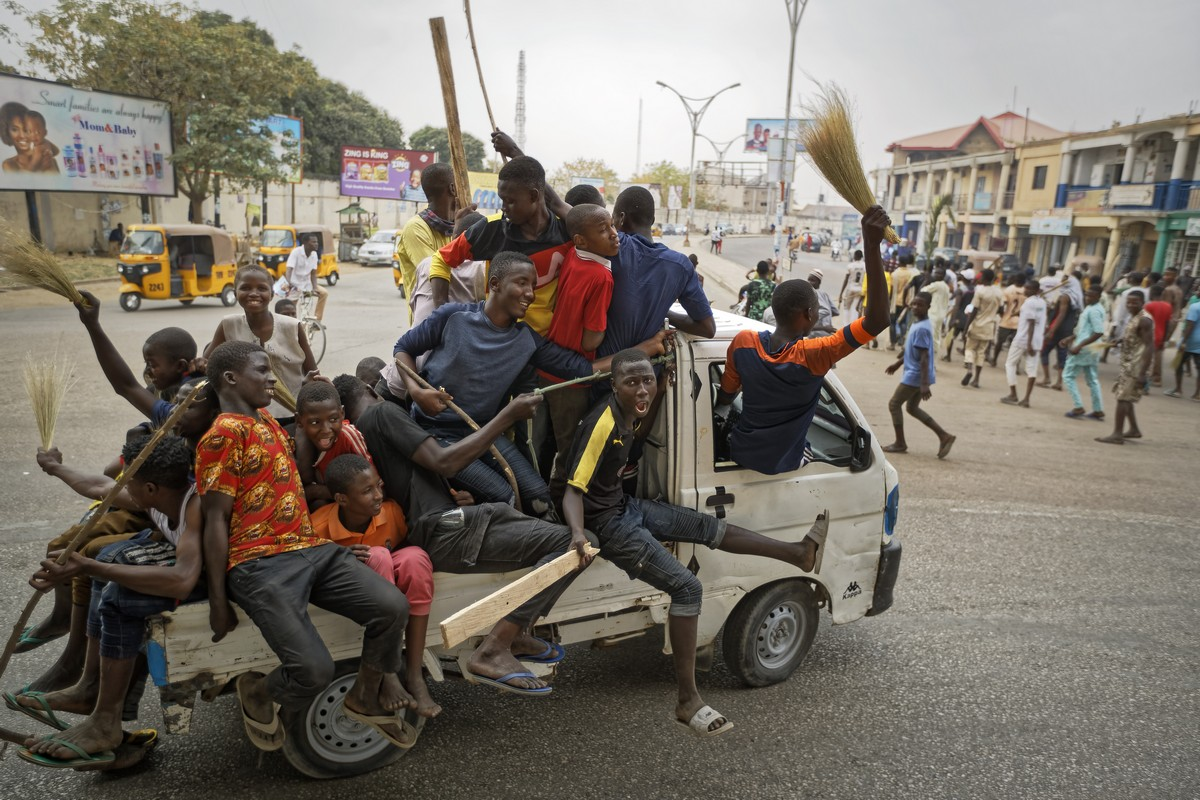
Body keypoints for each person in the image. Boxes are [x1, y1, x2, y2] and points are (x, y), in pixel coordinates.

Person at [561, 349, 827, 736]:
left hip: (625, 505)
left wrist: (661, 391)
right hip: (608, 523)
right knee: (688, 588)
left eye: (646, 381)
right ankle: (687, 701)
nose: (641, 389)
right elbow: (572, 490)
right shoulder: (601, 421)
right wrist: (577, 534)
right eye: (631, 382)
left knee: (706, 527)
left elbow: (640, 423)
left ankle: (798, 554)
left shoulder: (632, 410)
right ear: (613, 385)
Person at [199, 341, 416, 751]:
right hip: (260, 563)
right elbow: (214, 521)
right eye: (262, 371)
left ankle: (364, 696)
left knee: (392, 608)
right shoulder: (223, 434)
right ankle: (261, 693)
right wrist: (217, 600)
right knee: (313, 671)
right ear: (230, 379)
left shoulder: (265, 420)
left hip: (309, 549)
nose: (271, 378)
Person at [335, 375, 591, 696]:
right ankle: (497, 645)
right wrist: (508, 416)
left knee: (554, 540)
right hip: (446, 531)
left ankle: (513, 632)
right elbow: (445, 461)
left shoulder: (365, 434)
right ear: (372, 390)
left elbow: (422, 481)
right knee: (577, 543)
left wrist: (452, 495)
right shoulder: (382, 414)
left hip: (444, 529)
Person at [395, 252, 665, 517]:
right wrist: (417, 392)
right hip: (437, 435)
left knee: (540, 500)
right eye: (522, 283)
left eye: (533, 287)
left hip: (486, 434)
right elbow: (403, 348)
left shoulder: (527, 341)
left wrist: (647, 348)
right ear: (495, 284)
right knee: (505, 497)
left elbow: (584, 369)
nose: (530, 294)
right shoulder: (453, 317)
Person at [14, 435, 206, 769]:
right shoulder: (155, 496)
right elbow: (100, 487)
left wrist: (87, 565)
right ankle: (90, 687)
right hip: (182, 566)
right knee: (107, 560)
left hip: (209, 583)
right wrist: (55, 467)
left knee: (119, 595)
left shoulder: (193, 507)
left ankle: (106, 721)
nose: (122, 487)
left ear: (148, 488)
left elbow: (184, 579)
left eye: (128, 481)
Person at [715, 207, 893, 475]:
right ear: (809, 314)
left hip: (743, 450)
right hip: (782, 462)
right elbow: (877, 320)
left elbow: (727, 396)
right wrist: (871, 244)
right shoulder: (814, 354)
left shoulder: (743, 342)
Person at [310, 454, 440, 718]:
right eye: (367, 491)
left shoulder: (391, 513)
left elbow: (404, 547)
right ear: (342, 499)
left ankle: (414, 675)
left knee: (416, 558)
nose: (378, 494)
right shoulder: (319, 527)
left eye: (378, 486)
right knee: (377, 555)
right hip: (357, 596)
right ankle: (388, 673)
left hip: (390, 578)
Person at [429, 148, 569, 335]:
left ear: (534, 196)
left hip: (545, 343)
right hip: (497, 341)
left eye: (510, 201)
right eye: (501, 200)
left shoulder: (566, 230)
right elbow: (440, 259)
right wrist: (442, 312)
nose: (504, 208)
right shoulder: (491, 228)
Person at [543, 204, 619, 484]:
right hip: (572, 381)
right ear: (580, 240)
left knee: (545, 443)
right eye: (603, 230)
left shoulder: (574, 256)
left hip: (549, 365)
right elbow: (591, 338)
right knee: (569, 450)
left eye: (612, 225)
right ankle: (561, 502)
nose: (613, 234)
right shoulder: (602, 276)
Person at [205, 264, 320, 426]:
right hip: (247, 416)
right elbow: (208, 365)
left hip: (292, 414)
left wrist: (308, 389)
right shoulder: (229, 325)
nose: (253, 293)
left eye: (261, 288)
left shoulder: (292, 327)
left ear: (272, 294)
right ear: (235, 293)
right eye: (245, 288)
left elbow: (313, 372)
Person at [882, 291, 955, 458]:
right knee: (912, 408)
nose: (915, 307)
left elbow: (924, 357)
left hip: (915, 375)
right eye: (913, 304)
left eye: (919, 305)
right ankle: (944, 436)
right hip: (916, 373)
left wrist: (923, 383)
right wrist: (898, 363)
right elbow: (912, 349)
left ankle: (900, 443)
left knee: (894, 404)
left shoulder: (922, 328)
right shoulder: (918, 323)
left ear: (928, 307)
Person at [293, 381, 373, 510]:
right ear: (299, 421)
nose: (326, 429)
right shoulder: (293, 442)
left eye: (333, 419)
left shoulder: (348, 436)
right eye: (315, 422)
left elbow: (374, 487)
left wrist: (317, 491)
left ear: (342, 413)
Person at [395, 162, 462, 309]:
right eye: (459, 184)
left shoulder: (453, 226)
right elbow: (437, 277)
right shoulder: (416, 228)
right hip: (428, 323)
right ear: (453, 188)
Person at [1096, 291, 1154, 445]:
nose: (1130, 305)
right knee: (1125, 397)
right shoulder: (1135, 317)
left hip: (1135, 366)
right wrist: (1120, 340)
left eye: (1134, 302)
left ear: (1142, 302)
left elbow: (1149, 346)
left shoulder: (1145, 320)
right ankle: (1134, 429)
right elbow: (1136, 337)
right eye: (1128, 302)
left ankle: (1117, 434)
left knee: (1122, 398)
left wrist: (1142, 373)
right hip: (1128, 364)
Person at [1062, 284, 1107, 420]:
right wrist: (1070, 338)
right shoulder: (1092, 308)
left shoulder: (1094, 310)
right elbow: (1085, 329)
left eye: (1091, 296)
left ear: (1098, 297)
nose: (1087, 298)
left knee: (1068, 375)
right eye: (1087, 295)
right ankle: (1098, 409)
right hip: (1090, 348)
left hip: (1085, 348)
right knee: (1092, 379)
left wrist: (1079, 346)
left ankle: (1078, 406)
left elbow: (1098, 332)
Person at [1001, 280, 1047, 408]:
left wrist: (1029, 344)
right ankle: (1026, 399)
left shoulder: (1028, 303)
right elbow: (1032, 317)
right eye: (1025, 288)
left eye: (1028, 289)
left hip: (1023, 339)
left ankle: (1013, 394)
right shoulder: (1042, 302)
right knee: (1031, 370)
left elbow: (1031, 322)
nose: (1025, 291)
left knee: (1010, 364)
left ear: (1035, 290)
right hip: (1037, 340)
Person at [962, 268, 1004, 388]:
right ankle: (976, 379)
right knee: (981, 353)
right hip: (989, 326)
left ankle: (969, 369)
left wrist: (966, 328)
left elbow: (974, 310)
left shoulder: (980, 291)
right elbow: (1001, 310)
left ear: (984, 278)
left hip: (977, 324)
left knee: (970, 349)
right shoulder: (998, 292)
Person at [1, 102, 59, 173]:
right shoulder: (9, 165)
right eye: (15, 129)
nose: (23, 135)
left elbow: (56, 151)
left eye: (26, 129)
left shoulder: (48, 159)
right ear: (6, 132)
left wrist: (45, 146)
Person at [282, 233, 328, 321]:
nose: (316, 244)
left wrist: (314, 288)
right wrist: (288, 283)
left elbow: (313, 274)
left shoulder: (314, 254)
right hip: (294, 286)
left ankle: (316, 321)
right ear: (305, 243)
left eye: (317, 242)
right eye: (313, 242)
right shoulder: (296, 252)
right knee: (290, 309)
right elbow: (289, 269)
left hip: (307, 286)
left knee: (324, 293)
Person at [1164, 293, 1200, 400]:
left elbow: (1190, 325)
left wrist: (1184, 341)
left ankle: (1178, 389)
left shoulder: (1195, 307)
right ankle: (1198, 394)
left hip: (1191, 340)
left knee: (1178, 364)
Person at [989, 274, 1026, 367]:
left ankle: (994, 360)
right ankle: (1016, 365)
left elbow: (1003, 305)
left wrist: (1002, 315)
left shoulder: (1008, 290)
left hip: (1006, 321)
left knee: (1000, 342)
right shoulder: (1027, 291)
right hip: (1020, 322)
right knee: (1017, 345)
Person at [1142, 284, 1175, 386]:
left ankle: (1145, 384)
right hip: (1161, 334)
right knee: (1157, 358)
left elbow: (1145, 321)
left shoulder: (1148, 306)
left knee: (1146, 359)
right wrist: (1165, 338)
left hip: (1149, 335)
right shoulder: (1168, 306)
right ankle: (1157, 378)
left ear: (1151, 293)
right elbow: (1167, 324)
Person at [889, 254, 917, 350]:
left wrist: (889, 301)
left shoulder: (895, 274)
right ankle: (902, 341)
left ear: (900, 262)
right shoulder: (910, 274)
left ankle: (892, 344)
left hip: (894, 302)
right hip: (906, 302)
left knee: (892, 322)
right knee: (903, 322)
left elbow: (891, 289)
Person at [839, 250, 866, 317]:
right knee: (855, 308)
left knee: (846, 308)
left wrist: (841, 293)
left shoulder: (850, 266)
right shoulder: (865, 266)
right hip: (860, 289)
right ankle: (854, 325)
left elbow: (846, 280)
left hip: (851, 288)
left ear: (855, 256)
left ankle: (846, 324)